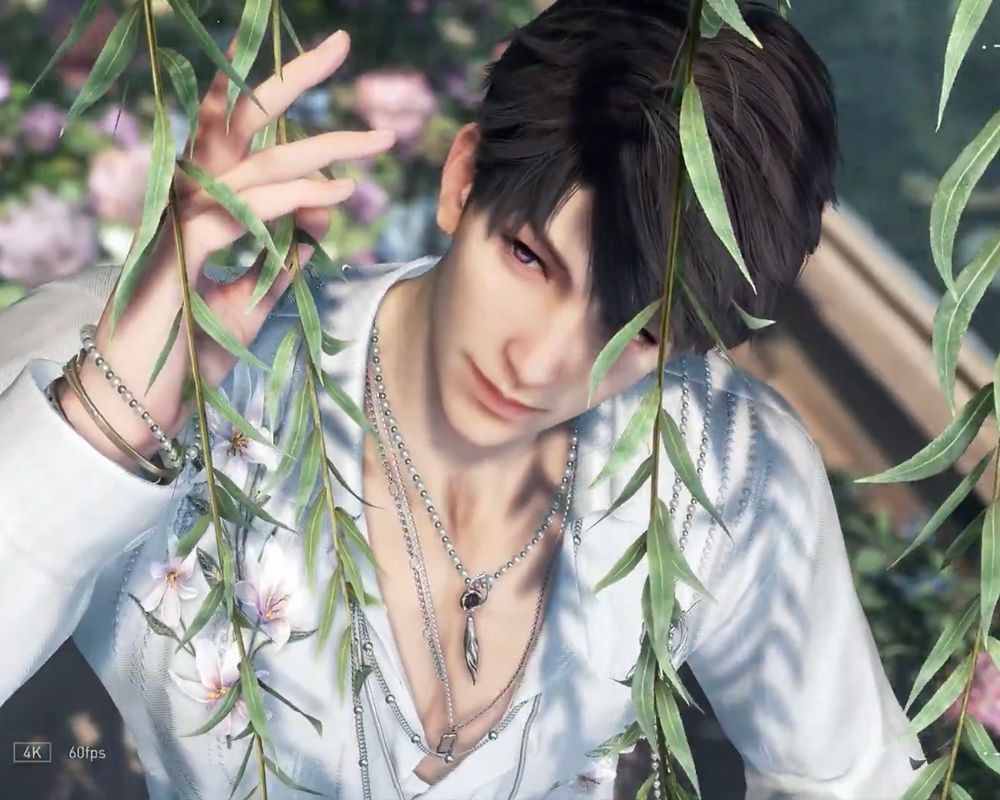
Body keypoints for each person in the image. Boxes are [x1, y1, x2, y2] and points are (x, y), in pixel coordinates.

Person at [0, 1, 926, 798]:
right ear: (462, 178)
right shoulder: (139, 357)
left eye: (636, 334)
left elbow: (853, 778)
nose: (539, 362)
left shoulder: (725, 462)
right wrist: (106, 425)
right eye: (527, 257)